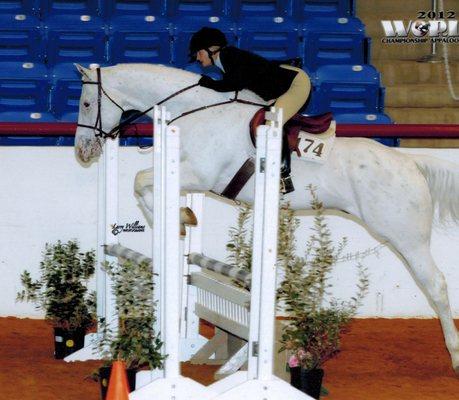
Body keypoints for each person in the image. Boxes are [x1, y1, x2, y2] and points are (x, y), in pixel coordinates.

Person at [189, 27, 311, 194]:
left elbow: (233, 84)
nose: (197, 58)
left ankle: (284, 178)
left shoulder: (228, 56)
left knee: (271, 125)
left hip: (295, 84)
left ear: (211, 49)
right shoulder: (225, 60)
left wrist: (208, 83)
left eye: (198, 52)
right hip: (280, 87)